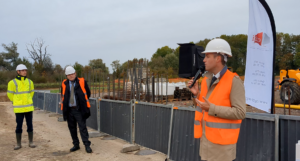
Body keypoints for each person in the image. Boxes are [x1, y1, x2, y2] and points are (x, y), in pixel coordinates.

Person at [188, 38, 246, 161]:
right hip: (206, 144)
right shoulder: (206, 80)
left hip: (222, 148)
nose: (204, 60)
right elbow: (201, 107)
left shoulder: (234, 81)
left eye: (207, 56)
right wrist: (195, 95)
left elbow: (240, 112)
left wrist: (212, 108)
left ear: (218, 58)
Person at [60, 66, 92, 153]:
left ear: (75, 73)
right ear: (66, 75)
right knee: (72, 128)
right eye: (69, 74)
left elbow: (88, 93)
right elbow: (63, 95)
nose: (71, 76)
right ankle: (76, 145)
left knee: (82, 128)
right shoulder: (64, 83)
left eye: (72, 74)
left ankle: (87, 145)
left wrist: (82, 102)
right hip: (69, 110)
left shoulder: (81, 81)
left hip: (79, 110)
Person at [7, 64, 36, 150]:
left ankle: (31, 142)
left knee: (30, 125)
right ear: (18, 72)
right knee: (19, 126)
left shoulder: (30, 82)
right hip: (19, 109)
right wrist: (16, 101)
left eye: (25, 70)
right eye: (23, 70)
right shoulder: (12, 83)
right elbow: (10, 94)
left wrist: (28, 100)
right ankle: (18, 144)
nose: (25, 72)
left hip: (29, 108)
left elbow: (31, 93)